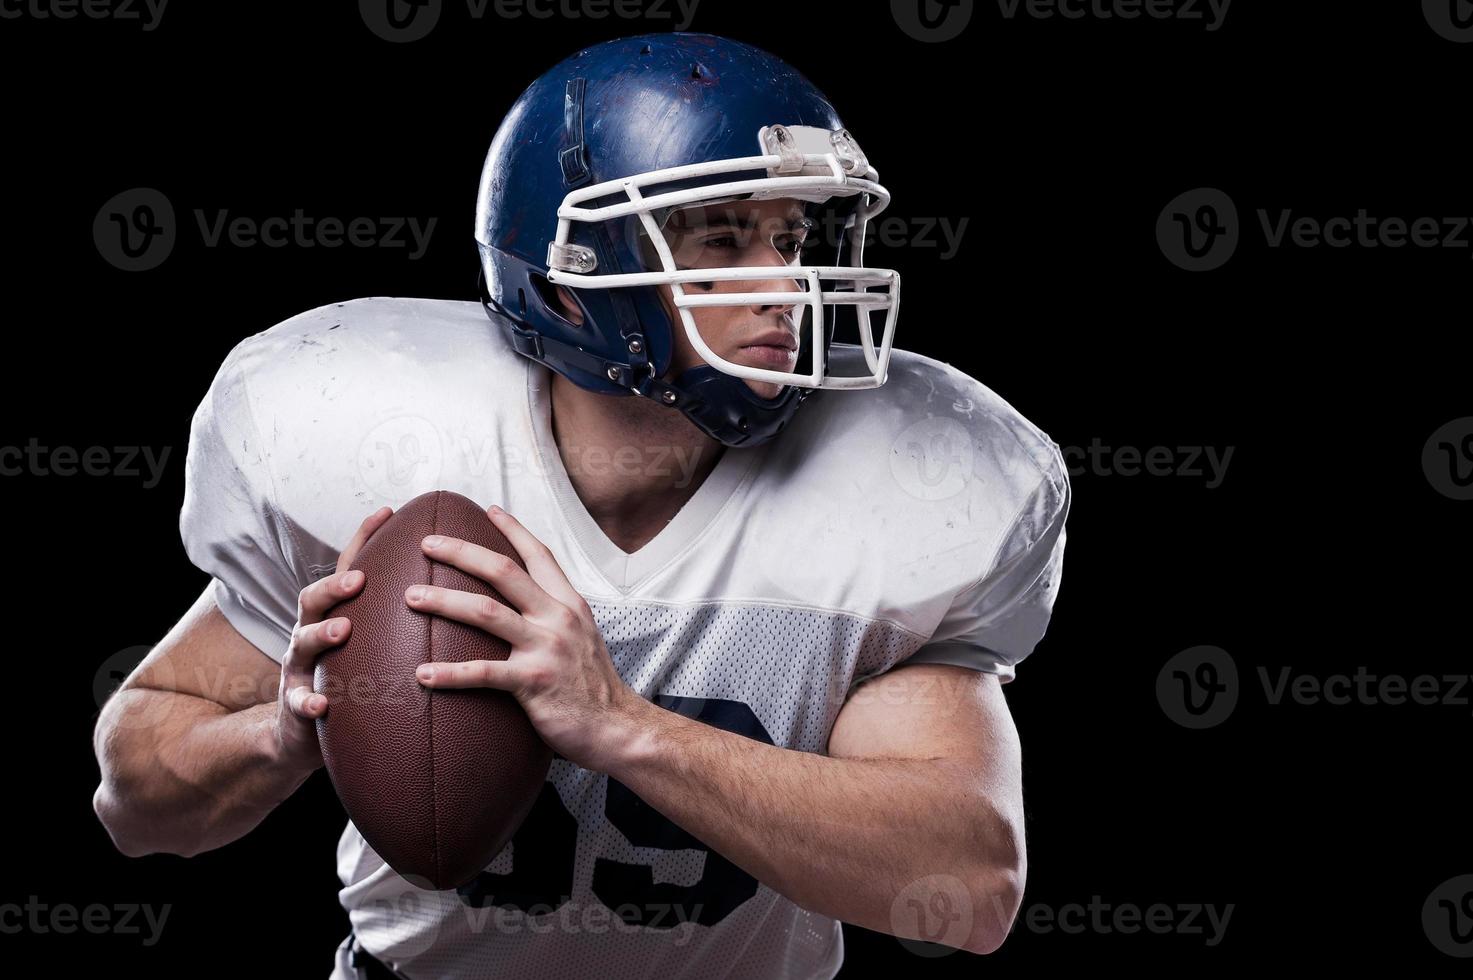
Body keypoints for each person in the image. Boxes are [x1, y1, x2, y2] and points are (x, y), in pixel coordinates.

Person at [91, 32, 1070, 979]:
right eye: (726, 238)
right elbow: (135, 803)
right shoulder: (379, 449)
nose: (789, 285)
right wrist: (281, 734)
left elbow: (969, 890)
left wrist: (621, 723)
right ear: (570, 284)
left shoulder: (899, 491)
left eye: (793, 236)